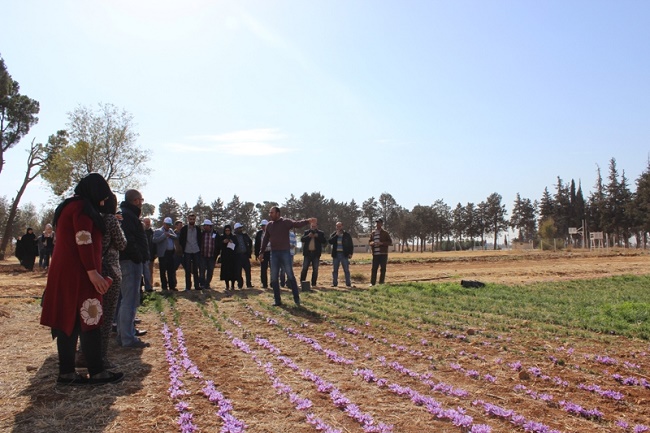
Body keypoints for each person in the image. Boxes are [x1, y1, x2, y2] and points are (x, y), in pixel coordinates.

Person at [40, 172, 124, 385]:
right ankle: (97, 371)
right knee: (90, 317)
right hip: (79, 274)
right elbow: (83, 240)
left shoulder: (69, 206)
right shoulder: (82, 209)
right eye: (103, 196)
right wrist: (93, 272)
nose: (104, 201)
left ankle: (67, 372)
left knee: (69, 320)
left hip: (66, 273)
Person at [258, 206, 315, 307]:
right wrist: (261, 252)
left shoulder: (286, 222)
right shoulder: (269, 225)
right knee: (274, 277)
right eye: (270, 213)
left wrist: (307, 221)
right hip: (274, 253)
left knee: (290, 275)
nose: (270, 215)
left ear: (278, 213)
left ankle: (296, 298)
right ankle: (277, 300)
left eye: (272, 213)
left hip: (285, 253)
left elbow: (297, 224)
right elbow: (265, 239)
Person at [117, 189, 150, 348]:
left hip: (129, 261)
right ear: (136, 201)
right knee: (129, 301)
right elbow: (128, 241)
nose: (141, 203)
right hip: (130, 262)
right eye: (141, 200)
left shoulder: (126, 214)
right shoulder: (129, 216)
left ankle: (123, 333)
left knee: (126, 300)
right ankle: (128, 338)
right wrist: (138, 256)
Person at [99, 193, 127, 369]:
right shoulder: (110, 219)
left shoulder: (92, 217)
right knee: (107, 315)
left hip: (95, 269)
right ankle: (100, 357)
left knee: (93, 315)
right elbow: (122, 243)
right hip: (110, 270)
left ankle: (86, 353)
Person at [152, 217, 178, 291]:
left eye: (169, 225)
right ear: (164, 224)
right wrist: (164, 236)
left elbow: (176, 237)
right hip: (163, 254)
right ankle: (164, 287)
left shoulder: (171, 231)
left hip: (171, 253)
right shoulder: (158, 231)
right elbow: (154, 240)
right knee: (163, 271)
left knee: (171, 270)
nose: (168, 226)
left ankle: (172, 286)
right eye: (167, 225)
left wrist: (169, 235)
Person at [179, 213, 203, 290]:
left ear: (195, 220)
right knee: (188, 269)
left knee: (196, 269)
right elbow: (181, 240)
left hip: (196, 250)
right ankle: (188, 286)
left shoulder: (198, 229)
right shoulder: (184, 229)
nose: (192, 220)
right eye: (190, 219)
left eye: (193, 219)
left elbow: (200, 240)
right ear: (188, 219)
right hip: (187, 251)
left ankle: (197, 286)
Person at [300, 221, 327, 289]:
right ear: (310, 226)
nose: (313, 228)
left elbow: (324, 241)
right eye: (312, 226)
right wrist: (308, 236)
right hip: (307, 254)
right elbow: (302, 239)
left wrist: (317, 236)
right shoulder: (307, 232)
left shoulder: (320, 233)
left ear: (317, 226)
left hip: (316, 254)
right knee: (304, 268)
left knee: (315, 269)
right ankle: (302, 282)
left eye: (314, 226)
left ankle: (314, 283)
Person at [329, 221, 354, 288]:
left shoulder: (347, 235)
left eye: (340, 226)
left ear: (342, 226)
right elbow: (330, 241)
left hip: (344, 254)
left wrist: (350, 253)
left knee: (346, 269)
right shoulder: (334, 234)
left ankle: (348, 283)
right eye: (337, 226)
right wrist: (336, 235)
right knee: (335, 270)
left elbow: (350, 245)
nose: (338, 227)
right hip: (336, 254)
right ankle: (334, 283)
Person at [369, 218, 392, 286]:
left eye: (379, 223)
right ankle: (372, 283)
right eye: (376, 223)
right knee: (374, 269)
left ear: (381, 224)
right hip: (375, 254)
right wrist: (372, 243)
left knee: (383, 269)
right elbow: (369, 241)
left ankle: (381, 282)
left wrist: (381, 243)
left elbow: (390, 242)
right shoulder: (373, 233)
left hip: (383, 254)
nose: (377, 224)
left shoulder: (385, 233)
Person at [199, 219, 219, 289]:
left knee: (210, 271)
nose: (204, 227)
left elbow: (218, 245)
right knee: (202, 270)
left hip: (212, 256)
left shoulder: (215, 234)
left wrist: (216, 254)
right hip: (203, 255)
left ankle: (207, 284)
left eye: (205, 226)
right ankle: (202, 284)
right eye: (204, 226)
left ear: (209, 226)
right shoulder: (201, 234)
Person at [233, 222, 253, 288]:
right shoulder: (233, 237)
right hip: (237, 256)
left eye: (241, 228)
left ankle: (249, 284)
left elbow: (250, 242)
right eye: (239, 228)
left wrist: (249, 250)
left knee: (248, 270)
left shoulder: (245, 236)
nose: (241, 229)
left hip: (245, 255)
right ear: (236, 229)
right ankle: (240, 284)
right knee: (238, 271)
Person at [219, 224, 238, 290]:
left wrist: (232, 242)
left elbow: (236, 246)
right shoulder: (222, 237)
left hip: (232, 257)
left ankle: (232, 285)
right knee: (225, 271)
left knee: (233, 271)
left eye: (228, 230)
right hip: (225, 257)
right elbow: (219, 246)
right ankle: (227, 286)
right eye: (226, 230)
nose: (227, 232)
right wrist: (223, 242)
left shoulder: (234, 237)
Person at [254, 220, 270, 288]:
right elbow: (257, 244)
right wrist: (257, 254)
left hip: (271, 252)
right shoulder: (259, 233)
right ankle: (264, 284)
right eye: (262, 226)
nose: (263, 227)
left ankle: (273, 283)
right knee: (263, 269)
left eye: (264, 226)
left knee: (273, 269)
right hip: (263, 253)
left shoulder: (272, 232)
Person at [142, 217, 155, 293]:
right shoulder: (140, 232)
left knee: (149, 272)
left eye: (148, 222)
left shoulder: (152, 232)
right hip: (141, 256)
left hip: (150, 255)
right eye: (146, 222)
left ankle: (149, 287)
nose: (147, 224)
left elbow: (154, 244)